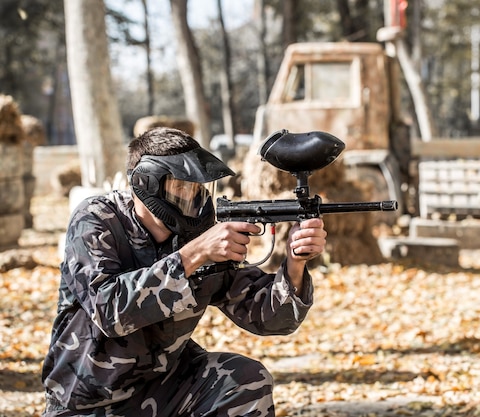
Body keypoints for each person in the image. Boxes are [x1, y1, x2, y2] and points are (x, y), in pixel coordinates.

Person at [41, 127, 327, 416]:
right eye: (180, 186)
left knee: (244, 381)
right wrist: (195, 254)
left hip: (165, 390)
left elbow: (272, 319)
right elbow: (109, 310)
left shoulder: (196, 234)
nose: (193, 197)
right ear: (147, 182)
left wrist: (295, 263)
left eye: (196, 187)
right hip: (85, 403)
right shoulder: (97, 219)